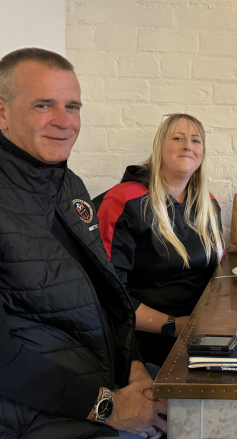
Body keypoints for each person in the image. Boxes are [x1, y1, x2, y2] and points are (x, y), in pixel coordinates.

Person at [0, 48, 225, 439]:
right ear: (0, 111)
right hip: (26, 421)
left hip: (100, 379)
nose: (65, 121)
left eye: (72, 106)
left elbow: (110, 300)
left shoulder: (68, 188)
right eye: (43, 105)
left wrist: (136, 371)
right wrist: (113, 407)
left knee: (229, 421)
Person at [95, 114, 224, 367]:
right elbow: (108, 296)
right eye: (178, 138)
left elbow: (215, 274)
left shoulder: (208, 204)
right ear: (159, 148)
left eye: (196, 141)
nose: (188, 145)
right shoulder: (122, 202)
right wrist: (173, 326)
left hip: (200, 334)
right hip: (143, 344)